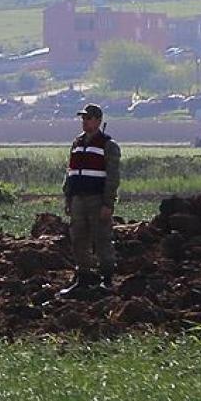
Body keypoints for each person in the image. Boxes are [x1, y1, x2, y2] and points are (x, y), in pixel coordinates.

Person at [56, 103, 121, 299]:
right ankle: (83, 278)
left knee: (102, 238)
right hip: (78, 198)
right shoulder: (77, 143)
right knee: (78, 239)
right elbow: (71, 173)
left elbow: (113, 177)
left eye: (88, 118)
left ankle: (107, 281)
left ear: (98, 121)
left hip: (97, 198)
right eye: (83, 118)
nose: (84, 121)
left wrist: (108, 203)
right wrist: (68, 197)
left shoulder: (108, 145)